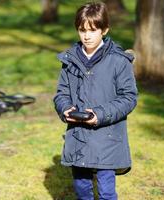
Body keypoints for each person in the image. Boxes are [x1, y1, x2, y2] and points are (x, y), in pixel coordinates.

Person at [53, 2, 138, 200]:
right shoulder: (70, 60)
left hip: (106, 137)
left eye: (93, 30)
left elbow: (129, 97)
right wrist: (64, 108)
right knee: (82, 190)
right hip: (78, 136)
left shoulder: (118, 61)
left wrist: (100, 114)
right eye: (82, 30)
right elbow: (61, 93)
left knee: (107, 192)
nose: (87, 36)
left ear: (104, 30)